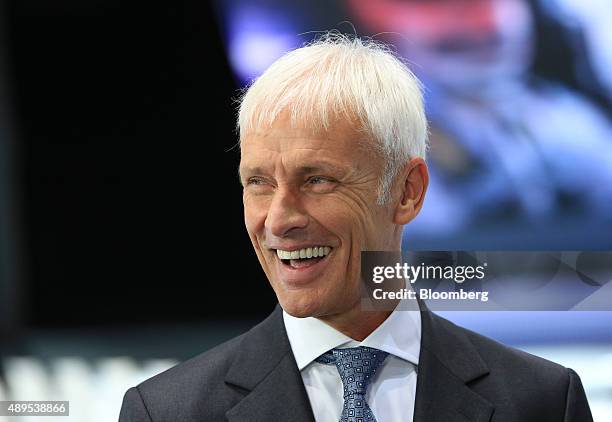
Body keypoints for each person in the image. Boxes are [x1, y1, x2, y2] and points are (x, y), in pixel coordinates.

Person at [119, 33, 593, 422]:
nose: (279, 219)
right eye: (258, 183)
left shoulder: (544, 402)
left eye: (317, 180)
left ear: (407, 192)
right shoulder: (165, 413)